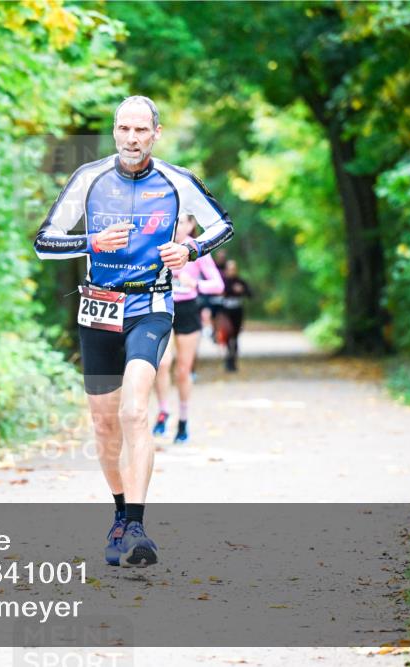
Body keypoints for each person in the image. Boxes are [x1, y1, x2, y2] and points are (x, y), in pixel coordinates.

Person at [34, 96, 233, 566]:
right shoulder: (89, 178)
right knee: (104, 427)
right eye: (124, 129)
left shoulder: (176, 181)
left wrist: (190, 251)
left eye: (141, 130)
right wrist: (90, 242)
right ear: (114, 131)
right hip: (98, 309)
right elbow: (44, 241)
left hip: (151, 305)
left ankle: (140, 527)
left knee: (133, 411)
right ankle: (120, 514)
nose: (131, 138)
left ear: (155, 133)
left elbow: (221, 226)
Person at [152, 213, 224, 443]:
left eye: (182, 221)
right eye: (174, 221)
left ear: (192, 224)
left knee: (183, 370)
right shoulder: (158, 246)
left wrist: (195, 284)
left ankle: (183, 420)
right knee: (162, 364)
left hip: (188, 310)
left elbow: (218, 284)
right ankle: (163, 412)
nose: (178, 226)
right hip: (162, 307)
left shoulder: (196, 249)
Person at [217, 259, 252, 372]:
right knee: (227, 334)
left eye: (233, 269)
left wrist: (242, 290)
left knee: (235, 337)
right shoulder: (222, 281)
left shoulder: (240, 281)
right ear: (226, 269)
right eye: (229, 269)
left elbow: (250, 293)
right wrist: (232, 290)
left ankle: (233, 360)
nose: (231, 271)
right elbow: (221, 291)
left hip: (237, 311)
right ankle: (228, 359)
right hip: (226, 311)